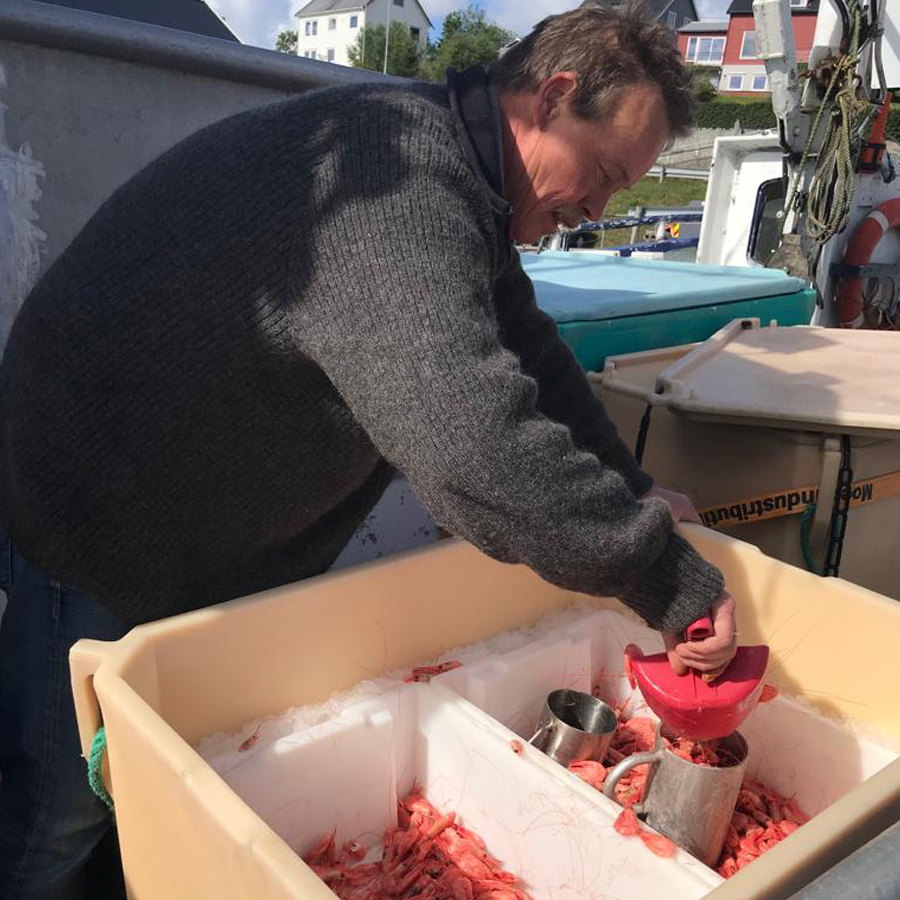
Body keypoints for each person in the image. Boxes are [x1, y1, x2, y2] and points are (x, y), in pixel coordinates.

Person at [0, 2, 736, 896]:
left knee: (152, 800)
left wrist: (634, 489)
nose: (600, 208)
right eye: (607, 174)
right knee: (53, 823)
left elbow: (530, 356)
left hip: (204, 532)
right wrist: (667, 582)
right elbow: (477, 450)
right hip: (98, 514)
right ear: (553, 96)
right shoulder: (400, 189)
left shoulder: (460, 181)